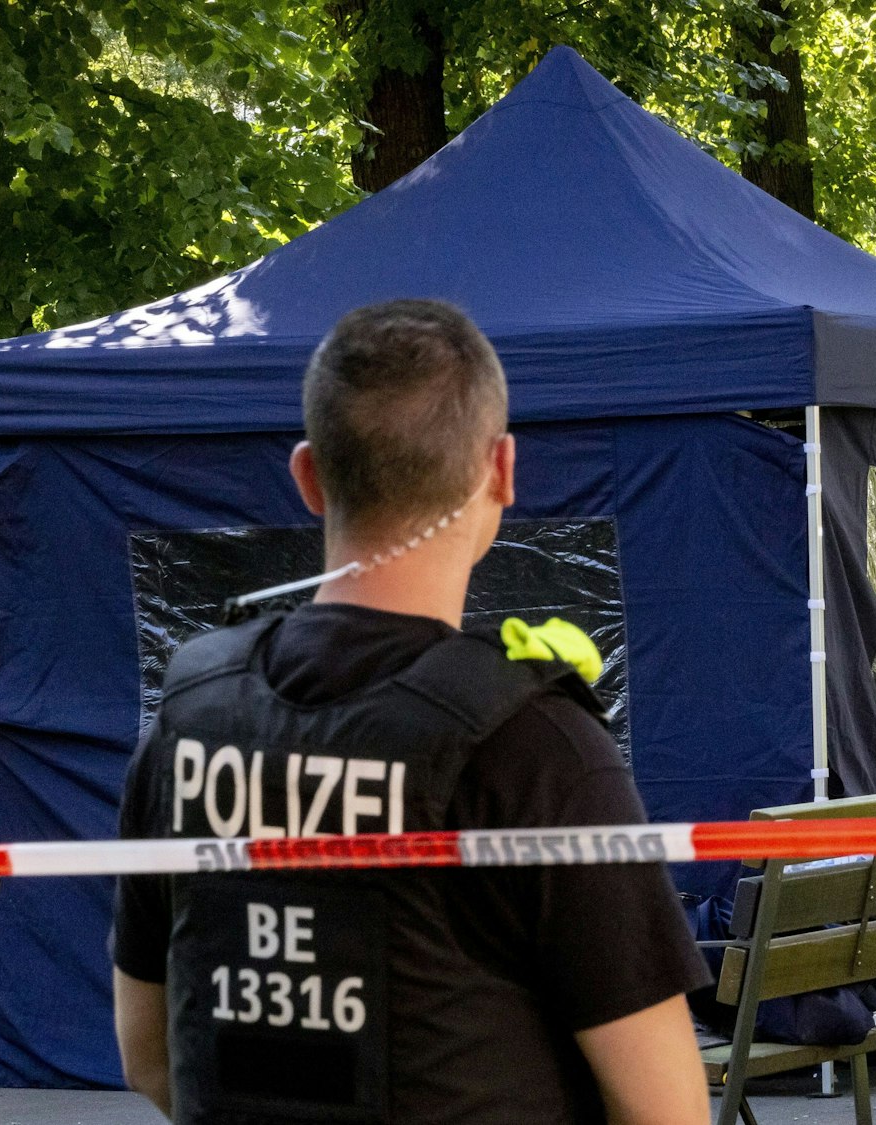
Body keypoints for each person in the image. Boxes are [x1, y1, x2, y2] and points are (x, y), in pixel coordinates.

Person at [109, 300, 712, 1124]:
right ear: (501, 470)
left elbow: (148, 1055)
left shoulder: (190, 718)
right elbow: (668, 1110)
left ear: (309, 475)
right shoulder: (535, 749)